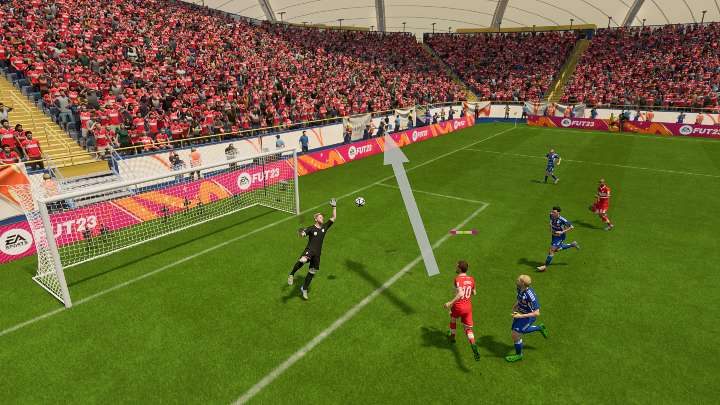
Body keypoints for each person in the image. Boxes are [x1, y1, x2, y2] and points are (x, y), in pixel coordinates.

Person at [288, 199, 337, 300]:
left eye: (322, 217)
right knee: (303, 260)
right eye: (320, 217)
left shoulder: (324, 227)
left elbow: (333, 217)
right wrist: (301, 232)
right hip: (310, 250)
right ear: (315, 219)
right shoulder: (311, 228)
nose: (322, 218)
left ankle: (304, 289)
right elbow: (303, 234)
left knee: (312, 271)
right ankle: (291, 274)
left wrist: (334, 207)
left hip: (317, 254)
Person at [443, 260, 480, 361]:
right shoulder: (471, 279)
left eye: (457, 266)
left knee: (453, 318)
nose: (455, 268)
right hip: (468, 307)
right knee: (468, 329)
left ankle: (452, 337)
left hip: (458, 305)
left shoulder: (457, 279)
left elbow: (460, 294)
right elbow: (474, 293)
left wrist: (450, 303)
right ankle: (473, 345)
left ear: (460, 269)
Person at [505, 275, 548, 362]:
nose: (517, 279)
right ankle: (539, 328)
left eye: (519, 279)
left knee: (516, 334)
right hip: (520, 313)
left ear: (523, 283)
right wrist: (515, 306)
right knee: (518, 330)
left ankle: (519, 355)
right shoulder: (519, 287)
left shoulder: (530, 296)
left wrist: (520, 316)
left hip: (528, 317)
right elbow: (520, 298)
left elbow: (537, 313)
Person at [536, 206, 579, 272]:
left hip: (560, 236)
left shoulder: (562, 220)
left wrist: (562, 232)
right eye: (552, 211)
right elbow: (551, 222)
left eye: (554, 212)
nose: (552, 213)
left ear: (558, 213)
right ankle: (572, 244)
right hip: (554, 235)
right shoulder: (551, 215)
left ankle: (545, 266)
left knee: (551, 250)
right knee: (556, 250)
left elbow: (572, 227)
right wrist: (550, 228)